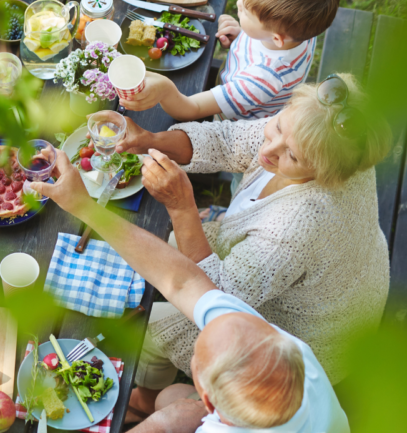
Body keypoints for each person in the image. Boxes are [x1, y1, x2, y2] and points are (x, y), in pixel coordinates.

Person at [108, 73, 391, 418]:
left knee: (150, 324)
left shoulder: (298, 225)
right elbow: (228, 141)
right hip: (331, 282)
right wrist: (151, 139)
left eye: (292, 156)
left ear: (325, 172)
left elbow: (217, 298)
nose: (268, 150)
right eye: (278, 128)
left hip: (303, 345)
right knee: (148, 255)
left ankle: (144, 399)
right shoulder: (328, 138)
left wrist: (182, 207)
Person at [31, 158, 350, 433]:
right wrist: (83, 205)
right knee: (168, 399)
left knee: (168, 409)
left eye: (198, 355)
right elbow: (182, 282)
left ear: (208, 400)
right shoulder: (296, 356)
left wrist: (159, 424)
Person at [119, 0, 340, 122]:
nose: (237, 4)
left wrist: (166, 90)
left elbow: (192, 108)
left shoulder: (262, 80)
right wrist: (242, 35)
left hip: (234, 119)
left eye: (245, 12)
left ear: (276, 38)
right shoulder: (303, 29)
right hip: (239, 82)